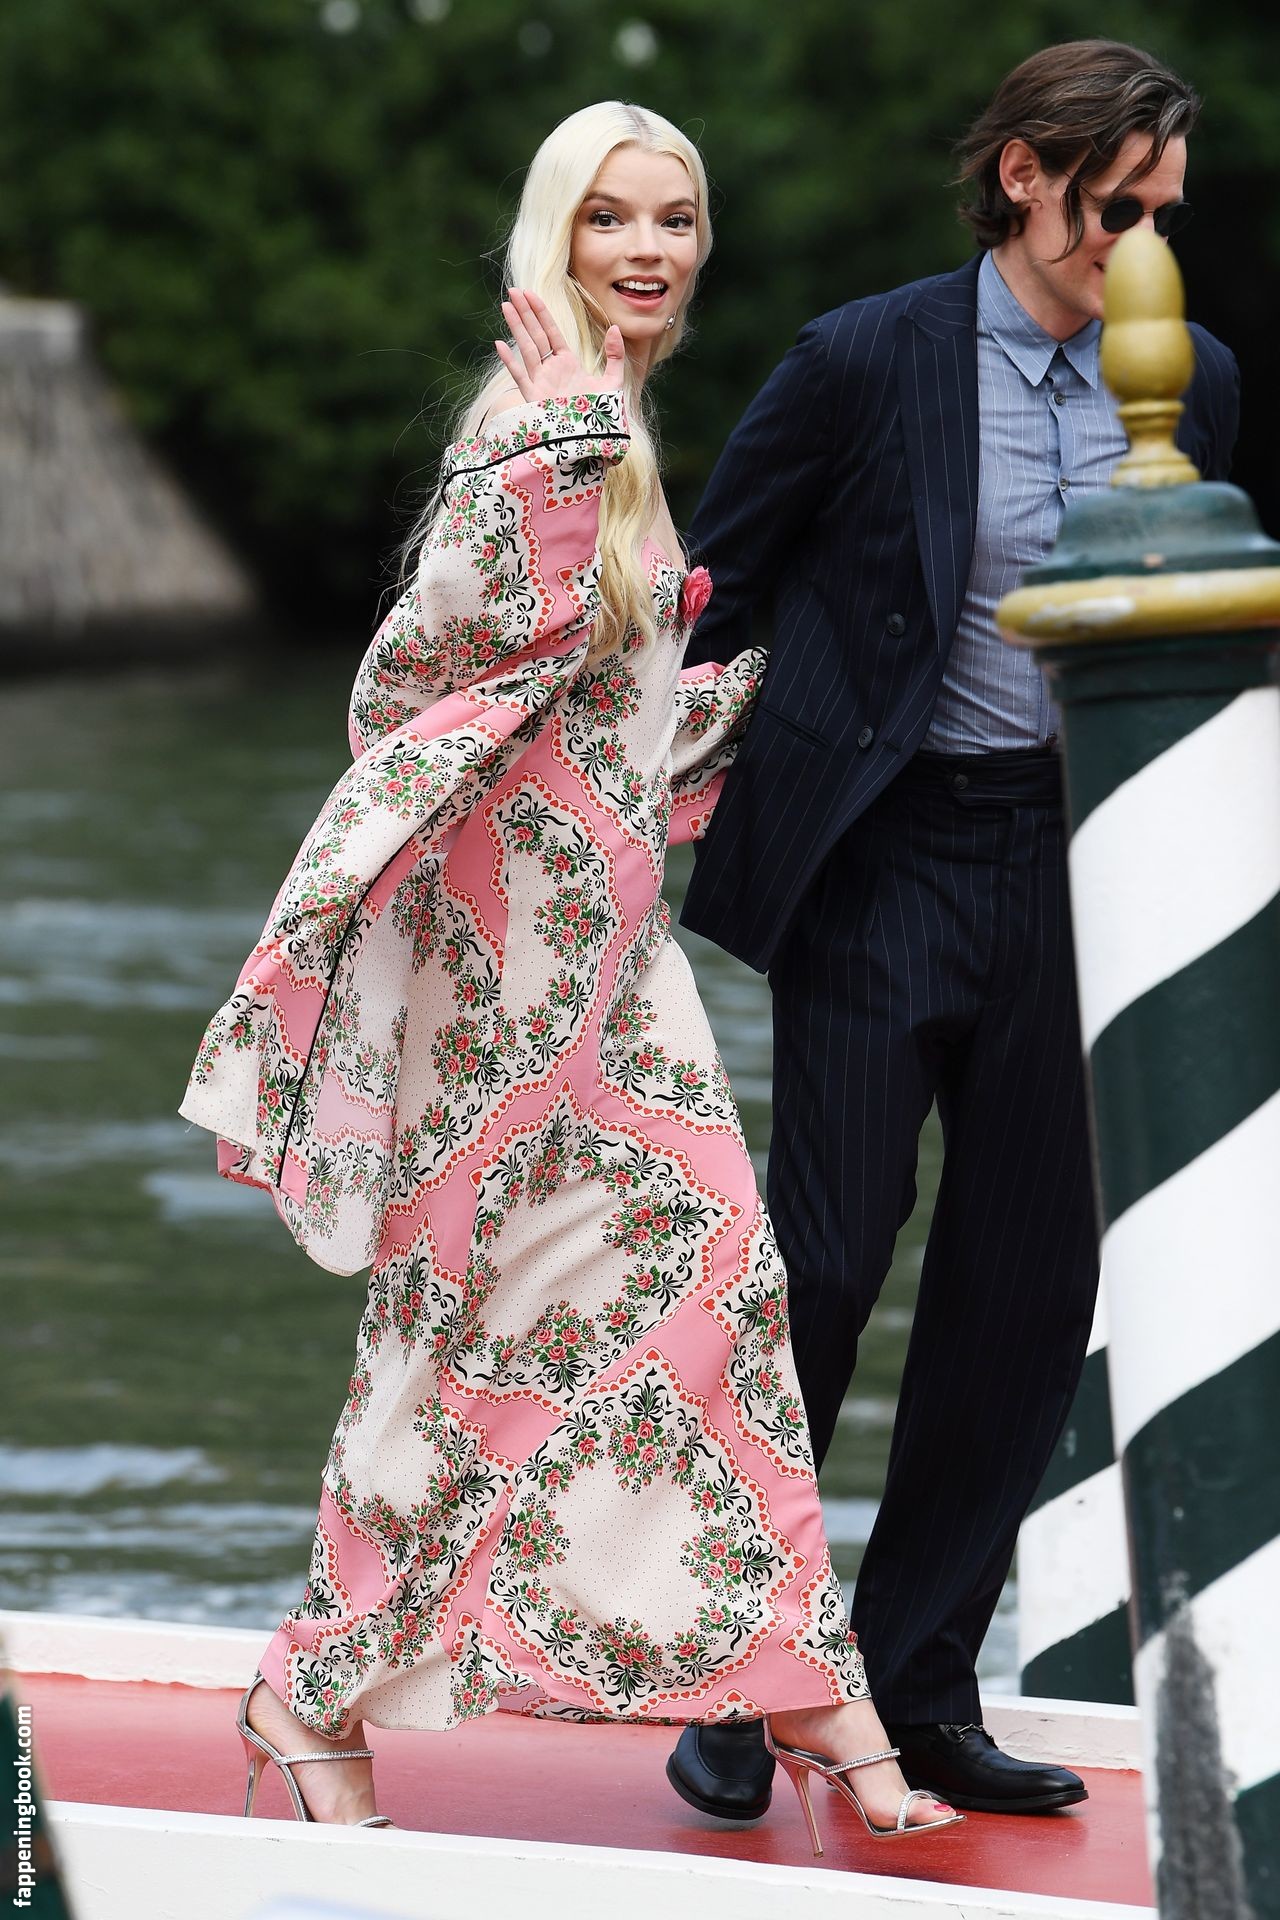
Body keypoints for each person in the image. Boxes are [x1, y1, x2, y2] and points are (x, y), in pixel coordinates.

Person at [180, 101, 960, 1847]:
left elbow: (594, 705)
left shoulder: (609, 417)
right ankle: (314, 1688)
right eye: (610, 218)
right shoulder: (533, 416)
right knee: (460, 1335)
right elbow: (429, 670)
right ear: (557, 233)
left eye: (674, 218)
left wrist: (757, 699)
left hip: (610, 961)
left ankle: (801, 1683)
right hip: (510, 980)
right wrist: (557, 450)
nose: (646, 249)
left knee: (709, 1293)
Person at [666, 39, 1240, 1823]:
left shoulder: (1199, 382)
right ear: (1023, 175)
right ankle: (745, 1675)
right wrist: (652, 798)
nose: (1140, 243)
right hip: (884, 853)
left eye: (1165, 212)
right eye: (1115, 205)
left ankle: (917, 1689)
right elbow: (713, 593)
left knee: (1023, 1296)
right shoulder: (864, 357)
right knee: (827, 1262)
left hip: (1078, 871)